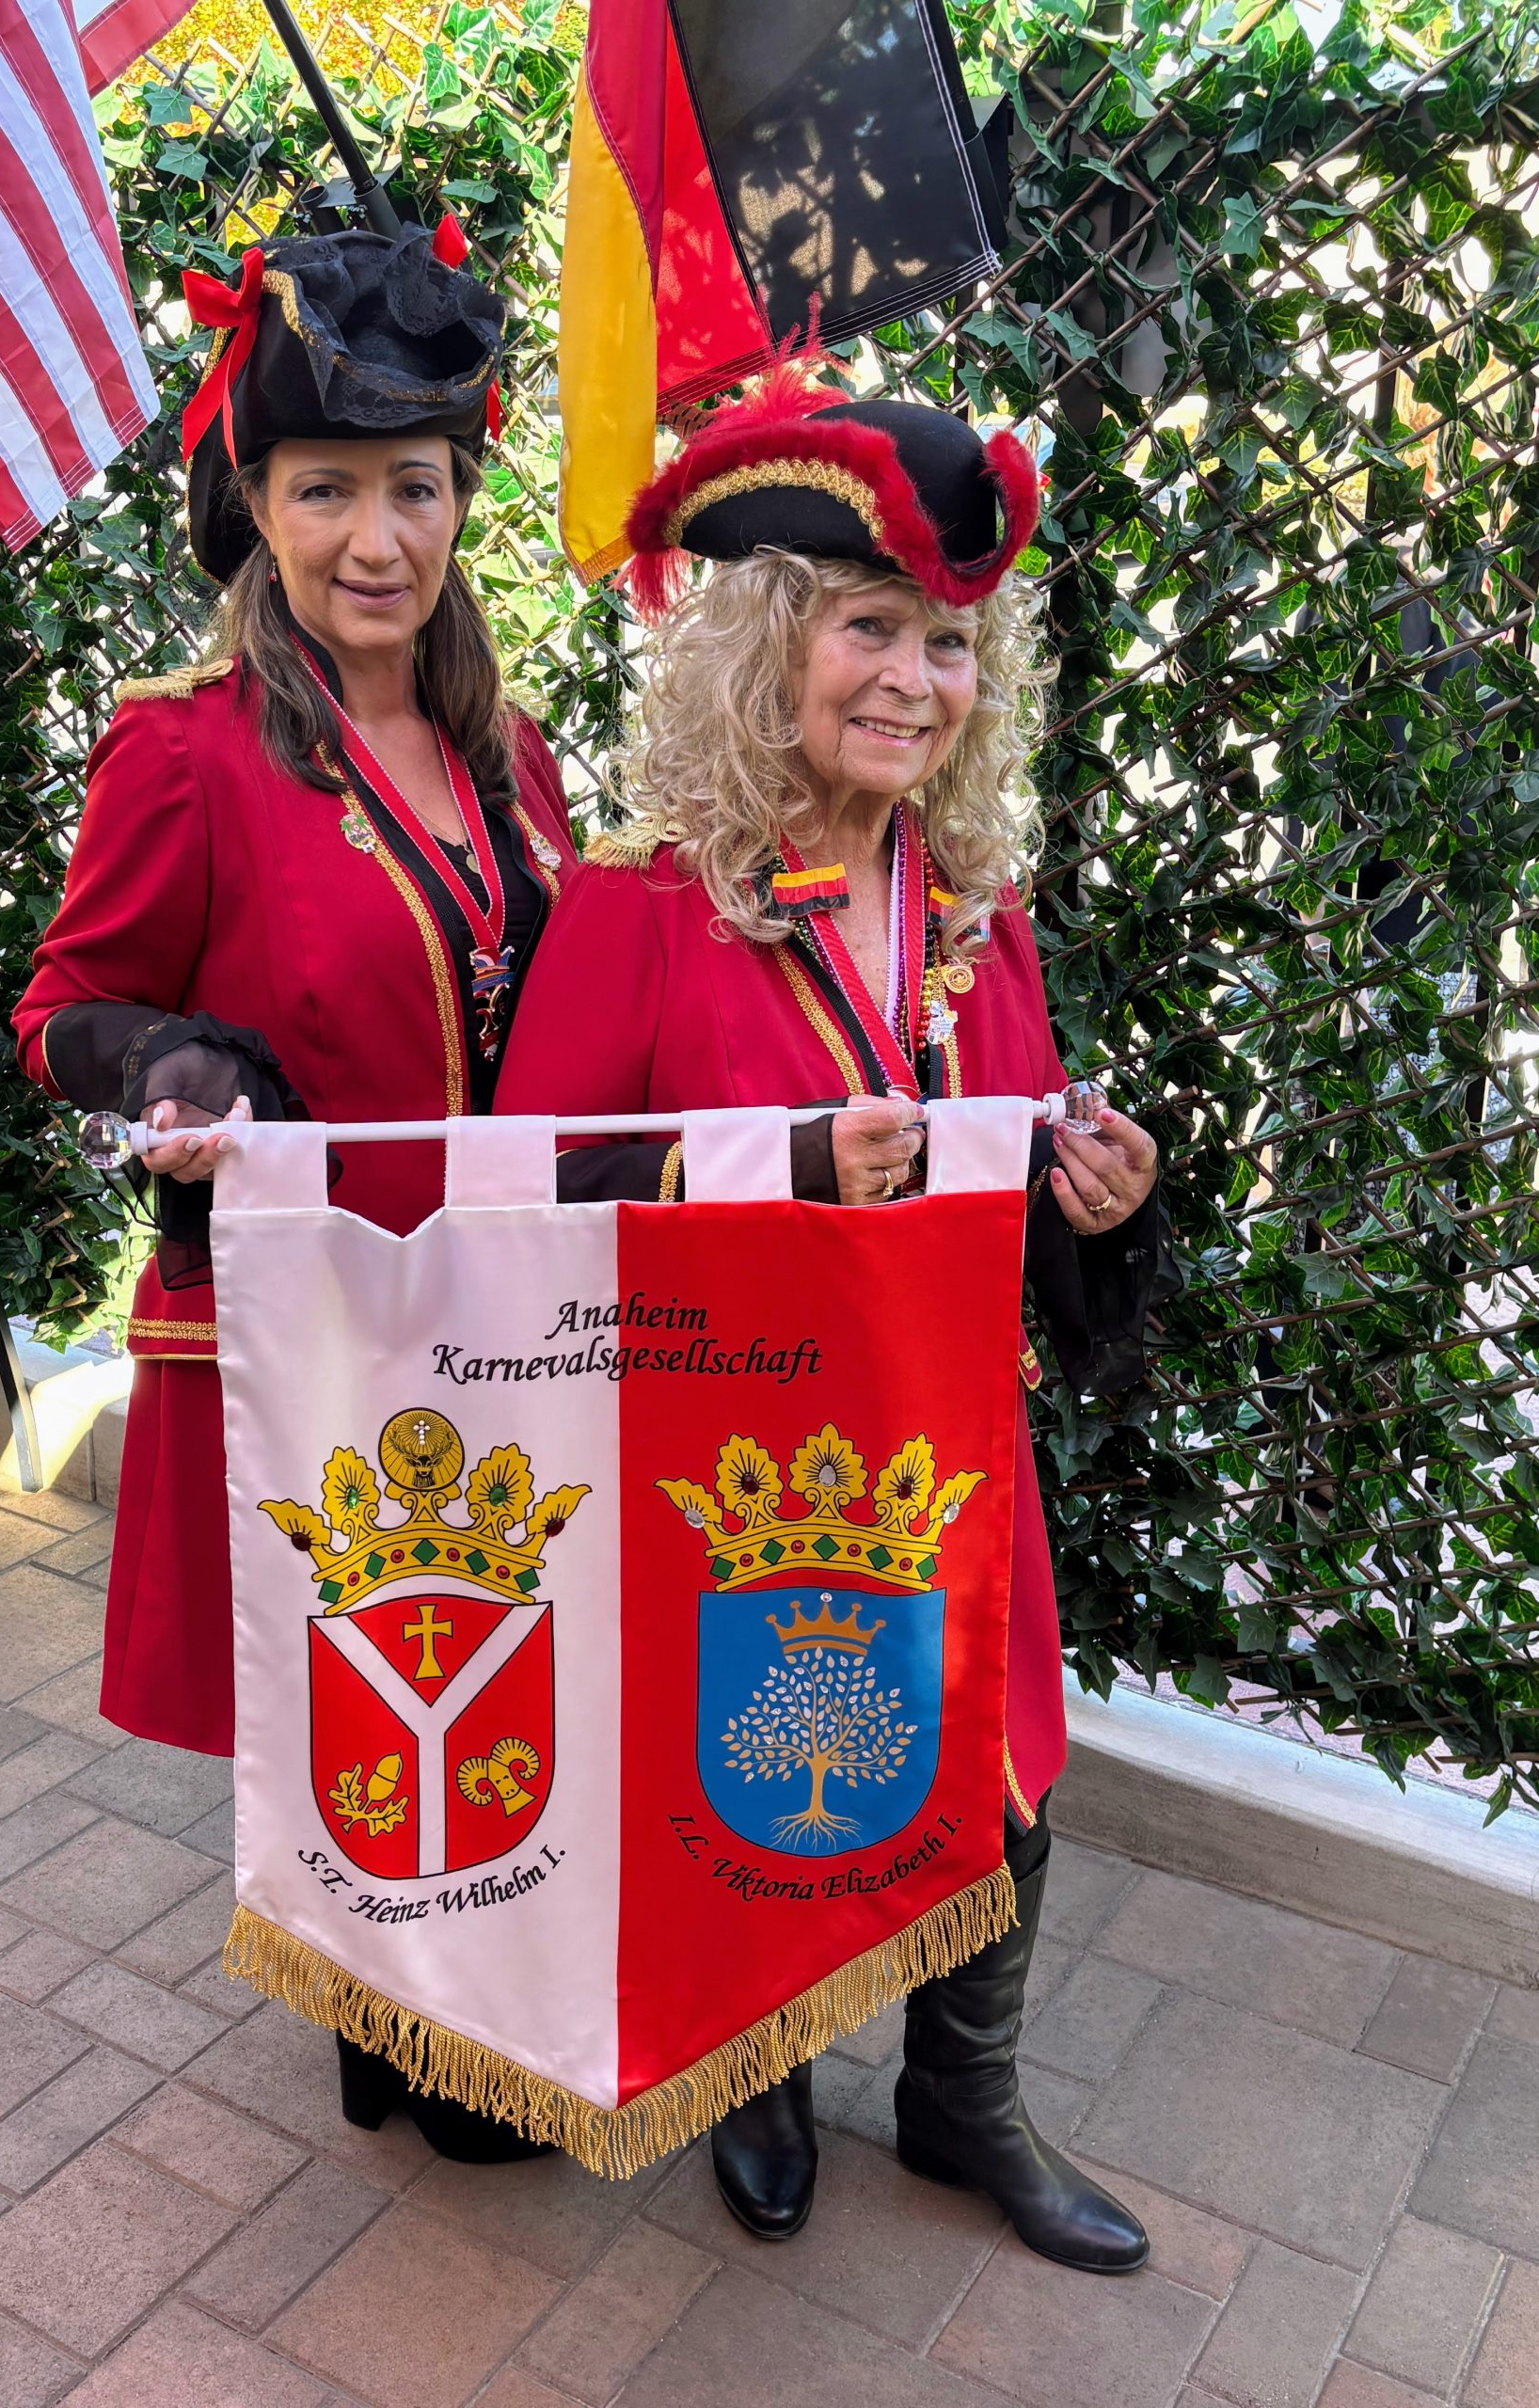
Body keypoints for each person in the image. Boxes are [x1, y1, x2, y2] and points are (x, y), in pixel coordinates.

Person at [494, 363, 1175, 2265]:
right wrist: (769, 1174)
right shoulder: (637, 903)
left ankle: (968, 2105)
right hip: (730, 1465)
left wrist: (1096, 1203)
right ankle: (764, 2063)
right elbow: (523, 1199)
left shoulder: (982, 902)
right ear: (770, 643)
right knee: (760, 1779)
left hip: (953, 1439)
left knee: (1002, 1768)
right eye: (871, 627)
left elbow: (1012, 1166)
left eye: (949, 642)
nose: (913, 677)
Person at [14, 225, 574, 2160]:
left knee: (485, 1671)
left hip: (510, 1336)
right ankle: (392, 2010)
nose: (373, 537)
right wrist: (165, 1061)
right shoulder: (184, 753)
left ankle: (471, 1990)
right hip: (312, 1339)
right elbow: (65, 1004)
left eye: (409, 488)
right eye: (323, 488)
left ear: (455, 498)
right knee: (352, 1697)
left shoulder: (523, 762)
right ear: (252, 500)